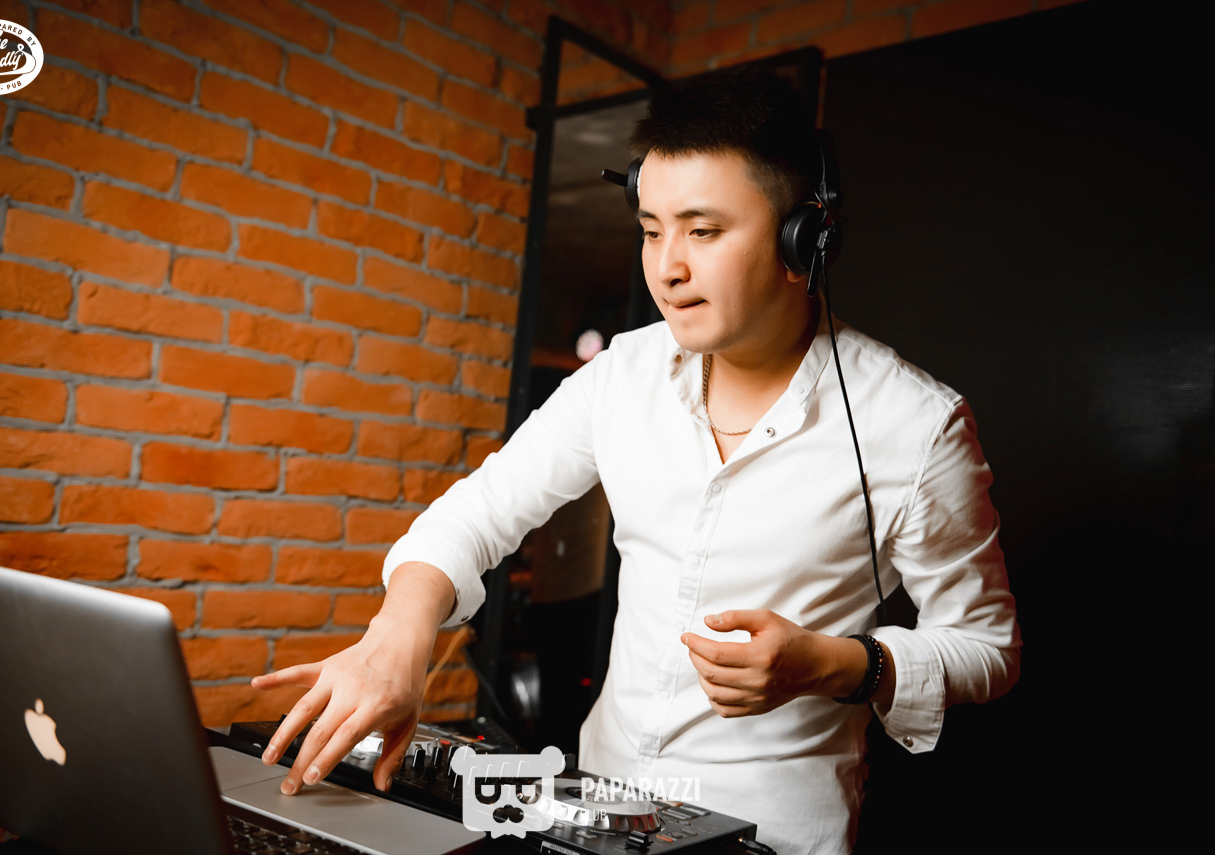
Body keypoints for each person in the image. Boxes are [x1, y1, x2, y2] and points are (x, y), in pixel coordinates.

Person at [252, 65, 1021, 854]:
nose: (667, 267)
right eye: (652, 229)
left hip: (777, 837)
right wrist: (398, 636)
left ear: (805, 238)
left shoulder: (917, 425)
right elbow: (478, 512)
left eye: (703, 231)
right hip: (598, 812)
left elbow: (989, 648)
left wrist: (838, 665)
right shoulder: (623, 373)